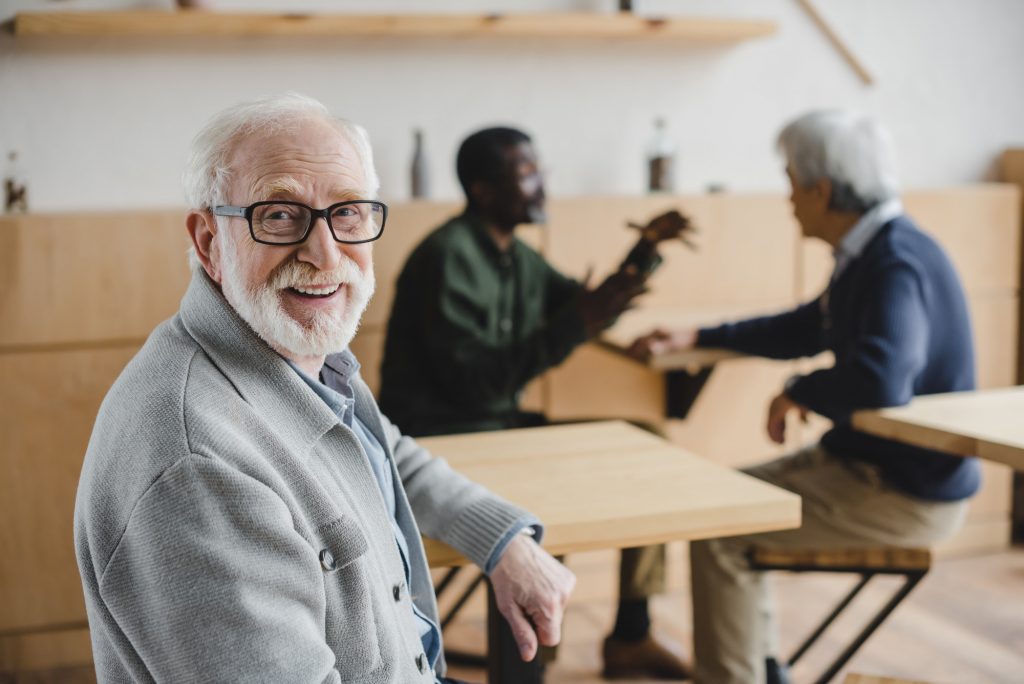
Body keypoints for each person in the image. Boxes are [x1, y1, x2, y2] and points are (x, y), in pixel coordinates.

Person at [73, 94, 576, 683]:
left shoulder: (296, 353)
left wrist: (503, 541)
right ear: (209, 241)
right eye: (279, 215)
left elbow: (385, 454)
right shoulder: (198, 466)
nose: (324, 253)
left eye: (348, 213)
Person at [629, 110, 980, 684]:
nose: (787, 197)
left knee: (723, 529)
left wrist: (800, 390)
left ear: (822, 189)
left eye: (790, 180)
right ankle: (763, 671)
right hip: (869, 467)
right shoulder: (874, 252)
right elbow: (807, 326)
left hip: (904, 492)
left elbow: (881, 381)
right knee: (725, 503)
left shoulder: (894, 263)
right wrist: (700, 337)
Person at [379, 126, 690, 680]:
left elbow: (585, 307)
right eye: (526, 173)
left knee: (648, 441)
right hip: (441, 438)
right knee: (556, 484)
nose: (541, 183)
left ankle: (631, 634)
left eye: (538, 169)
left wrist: (644, 254)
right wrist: (575, 323)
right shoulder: (446, 258)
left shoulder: (517, 257)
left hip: (501, 426)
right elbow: (474, 385)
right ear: (482, 189)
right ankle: (531, 657)